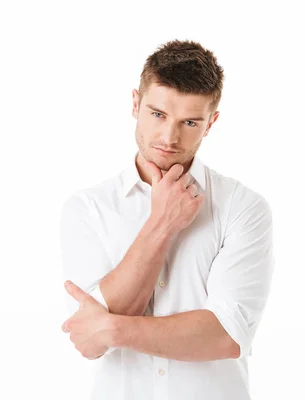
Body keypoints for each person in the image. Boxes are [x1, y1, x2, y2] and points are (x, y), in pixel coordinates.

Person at [60, 39, 274, 400]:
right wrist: (162, 223)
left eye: (189, 122)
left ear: (211, 123)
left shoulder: (243, 207)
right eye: (158, 114)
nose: (169, 137)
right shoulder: (88, 208)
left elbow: (226, 335)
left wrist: (112, 329)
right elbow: (89, 342)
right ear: (135, 103)